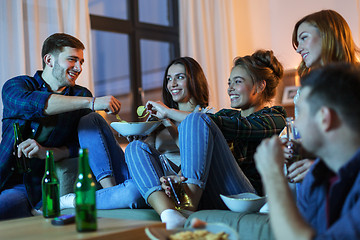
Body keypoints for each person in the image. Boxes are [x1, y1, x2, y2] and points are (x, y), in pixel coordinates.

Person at [126, 50, 287, 229]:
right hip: (216, 192)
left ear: (260, 86)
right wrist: (179, 178)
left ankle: (187, 206)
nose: (230, 88)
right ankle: (169, 214)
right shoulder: (226, 114)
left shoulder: (275, 117)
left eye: (238, 82)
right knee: (135, 147)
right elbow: (200, 153)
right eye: (229, 82)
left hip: (246, 195)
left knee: (196, 119)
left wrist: (168, 112)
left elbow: (241, 127)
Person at [60, 57, 210, 210]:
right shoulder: (158, 117)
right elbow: (143, 154)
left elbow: (192, 152)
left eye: (180, 77)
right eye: (169, 79)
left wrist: (167, 119)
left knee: (133, 190)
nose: (172, 84)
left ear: (194, 80)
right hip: (142, 173)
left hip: (162, 183)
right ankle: (109, 190)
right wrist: (137, 139)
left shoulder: (206, 117)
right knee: (90, 120)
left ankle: (78, 200)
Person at [0, 33, 122, 220]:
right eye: (72, 60)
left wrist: (46, 152)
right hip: (9, 179)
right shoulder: (16, 85)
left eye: (81, 61)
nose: (79, 68)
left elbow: (79, 146)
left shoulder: (81, 94)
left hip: (43, 187)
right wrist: (92, 102)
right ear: (49, 60)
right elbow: (36, 104)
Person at [254, 63, 360, 239]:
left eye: (300, 113)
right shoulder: (317, 176)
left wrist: (272, 175)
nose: (297, 123)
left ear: (324, 118)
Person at [285, 9, 359, 183]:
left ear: (328, 36)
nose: (298, 49)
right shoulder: (306, 89)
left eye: (304, 38)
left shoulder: (355, 81)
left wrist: (321, 166)